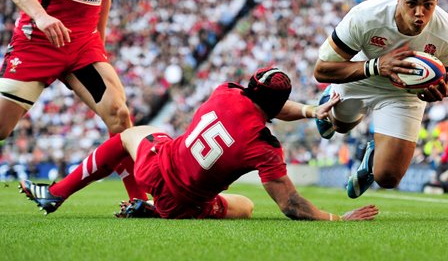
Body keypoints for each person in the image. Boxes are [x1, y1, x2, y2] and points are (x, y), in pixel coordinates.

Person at [20, 67, 379, 221]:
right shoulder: (263, 145)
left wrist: (308, 110)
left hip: (156, 166)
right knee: (248, 207)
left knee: (129, 134)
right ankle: (146, 206)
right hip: (185, 206)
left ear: (250, 87)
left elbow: (266, 104)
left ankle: (60, 192)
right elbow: (292, 205)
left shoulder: (225, 91)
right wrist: (336, 218)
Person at [0, 0, 146, 200]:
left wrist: (100, 45)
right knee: (1, 128)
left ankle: (139, 200)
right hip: (38, 43)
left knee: (120, 115)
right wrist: (41, 16)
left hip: (81, 48)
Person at [313, 0, 448, 198]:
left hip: (404, 93)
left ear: (437, 2)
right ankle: (330, 98)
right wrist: (375, 66)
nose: (419, 13)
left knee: (388, 178)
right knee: (342, 127)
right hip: (361, 76)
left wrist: (443, 91)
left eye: (428, 5)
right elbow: (321, 70)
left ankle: (371, 157)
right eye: (411, 3)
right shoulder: (365, 17)